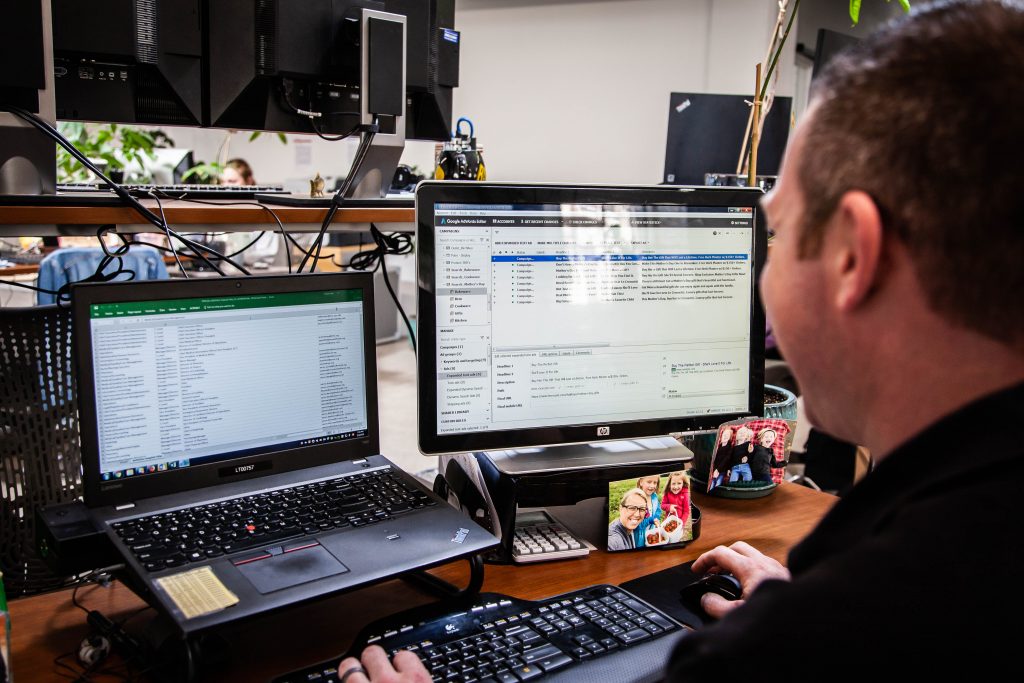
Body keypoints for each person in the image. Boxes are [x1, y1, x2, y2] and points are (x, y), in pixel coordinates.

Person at [336, 1, 1024, 680]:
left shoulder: (870, 615)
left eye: (775, 236)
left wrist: (811, 623)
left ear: (853, 254)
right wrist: (805, 603)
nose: (764, 276)